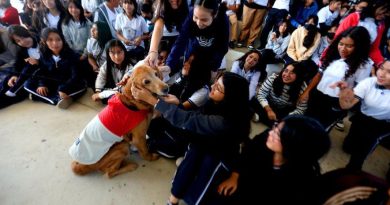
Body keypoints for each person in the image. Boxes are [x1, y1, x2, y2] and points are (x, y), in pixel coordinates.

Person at [131, 72, 251, 205]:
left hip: (217, 157)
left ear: (230, 97)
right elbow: (195, 118)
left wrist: (235, 175)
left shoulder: (226, 121)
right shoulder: (214, 103)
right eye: (215, 82)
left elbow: (190, 120)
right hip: (202, 143)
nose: (212, 86)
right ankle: (173, 199)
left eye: (218, 88)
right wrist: (177, 104)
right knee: (192, 152)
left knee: (200, 168)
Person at [220, 115, 330, 204]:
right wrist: (234, 176)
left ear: (294, 147)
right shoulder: (265, 139)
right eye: (276, 127)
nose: (271, 133)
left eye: (278, 134)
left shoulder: (302, 179)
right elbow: (246, 155)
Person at [302, 26, 372, 131]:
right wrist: (307, 91)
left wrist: (345, 93)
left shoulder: (364, 65)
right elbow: (319, 74)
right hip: (317, 95)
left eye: (349, 46)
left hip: (335, 102)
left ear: (359, 46)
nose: (343, 49)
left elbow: (358, 91)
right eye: (341, 44)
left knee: (319, 130)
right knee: (305, 123)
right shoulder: (333, 53)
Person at [147, 51, 211, 159]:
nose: (185, 64)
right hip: (169, 116)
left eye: (190, 63)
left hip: (184, 125)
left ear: (199, 68)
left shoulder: (203, 91)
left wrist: (176, 102)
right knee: (150, 123)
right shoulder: (181, 76)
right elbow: (166, 90)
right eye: (187, 61)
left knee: (176, 146)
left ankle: (156, 145)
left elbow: (182, 110)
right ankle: (154, 142)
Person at [332, 60, 390, 170]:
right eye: (381, 68)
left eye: (389, 72)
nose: (381, 74)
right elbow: (346, 105)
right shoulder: (370, 82)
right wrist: (343, 91)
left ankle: (352, 171)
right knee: (348, 145)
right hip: (362, 116)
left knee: (361, 153)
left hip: (382, 124)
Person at [24, 28, 86, 109]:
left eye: (58, 39)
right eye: (50, 40)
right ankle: (55, 99)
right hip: (53, 84)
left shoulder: (71, 55)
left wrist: (63, 89)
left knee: (82, 87)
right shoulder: (44, 55)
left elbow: (75, 76)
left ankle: (48, 97)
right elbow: (42, 72)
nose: (55, 43)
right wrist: (42, 84)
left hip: (69, 83)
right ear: (44, 42)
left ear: (63, 40)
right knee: (27, 84)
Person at [165, 0, 229, 77]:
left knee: (203, 78)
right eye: (196, 17)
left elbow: (222, 47)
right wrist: (169, 65)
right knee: (186, 76)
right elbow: (181, 41)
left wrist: (214, 67)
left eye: (204, 20)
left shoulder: (222, 19)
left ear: (214, 15)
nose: (199, 23)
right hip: (192, 51)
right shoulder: (192, 12)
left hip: (210, 54)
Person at [334, 1, 389, 67]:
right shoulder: (354, 16)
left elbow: (374, 49)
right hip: (340, 55)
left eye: (386, 15)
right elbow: (337, 38)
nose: (383, 16)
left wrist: (381, 63)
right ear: (375, 6)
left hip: (357, 62)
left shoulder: (381, 26)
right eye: (383, 12)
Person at [0, 25, 39, 108]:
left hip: (39, 74)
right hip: (24, 74)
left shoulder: (41, 42)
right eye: (18, 41)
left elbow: (53, 60)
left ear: (27, 33)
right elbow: (18, 64)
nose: (23, 42)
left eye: (23, 37)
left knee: (28, 68)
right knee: (8, 79)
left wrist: (39, 62)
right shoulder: (22, 50)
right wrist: (14, 75)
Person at [143, 0, 188, 67]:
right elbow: (158, 27)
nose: (175, 1)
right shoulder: (160, 6)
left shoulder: (188, 7)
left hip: (178, 37)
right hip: (162, 36)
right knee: (158, 59)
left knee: (173, 61)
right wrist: (153, 51)